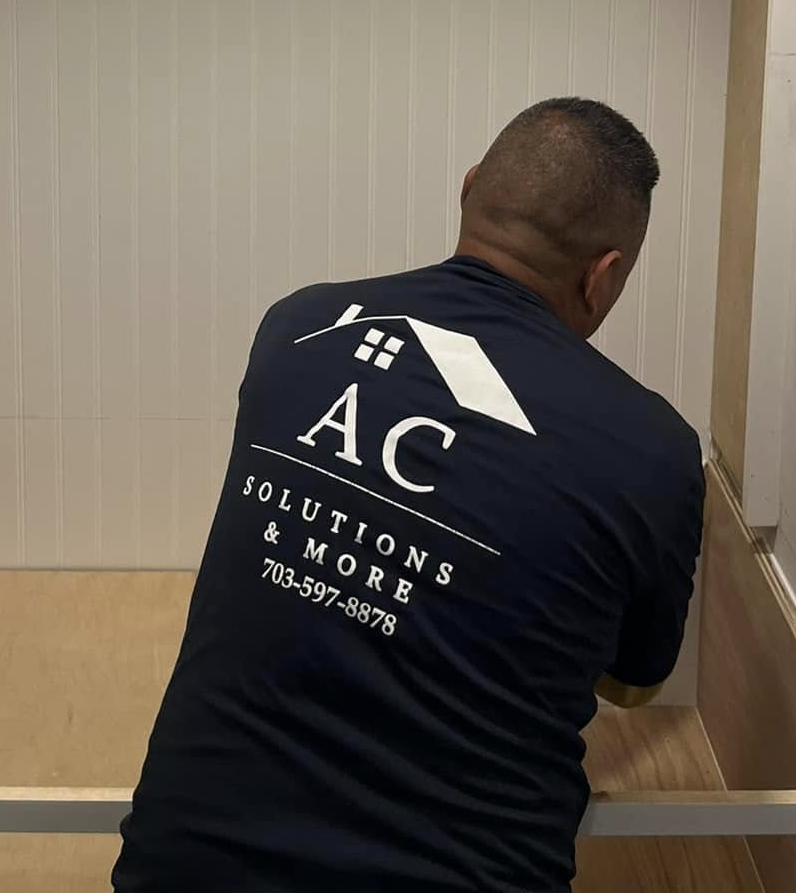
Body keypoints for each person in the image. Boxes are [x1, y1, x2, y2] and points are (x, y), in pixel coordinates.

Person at [112, 97, 705, 893]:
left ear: (468, 189)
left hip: (181, 868)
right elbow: (631, 683)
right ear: (604, 275)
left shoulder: (299, 328)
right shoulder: (654, 451)